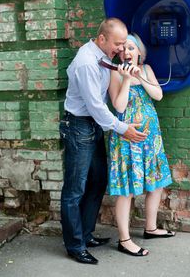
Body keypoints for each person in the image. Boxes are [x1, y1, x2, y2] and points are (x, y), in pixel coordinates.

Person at [59, 19, 147, 265]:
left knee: (98, 181)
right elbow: (97, 108)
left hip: (93, 125)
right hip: (78, 126)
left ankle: (86, 235)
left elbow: (110, 82)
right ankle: (75, 246)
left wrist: (126, 74)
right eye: (118, 44)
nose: (121, 49)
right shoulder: (86, 63)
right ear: (101, 39)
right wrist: (123, 130)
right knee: (74, 190)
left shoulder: (102, 56)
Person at [108, 33, 175, 257]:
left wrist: (140, 77)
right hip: (127, 138)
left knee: (155, 184)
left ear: (139, 52)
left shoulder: (147, 71)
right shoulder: (115, 73)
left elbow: (158, 95)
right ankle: (125, 240)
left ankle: (151, 228)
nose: (127, 52)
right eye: (123, 49)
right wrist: (127, 79)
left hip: (150, 137)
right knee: (127, 189)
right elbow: (118, 106)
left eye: (131, 48)